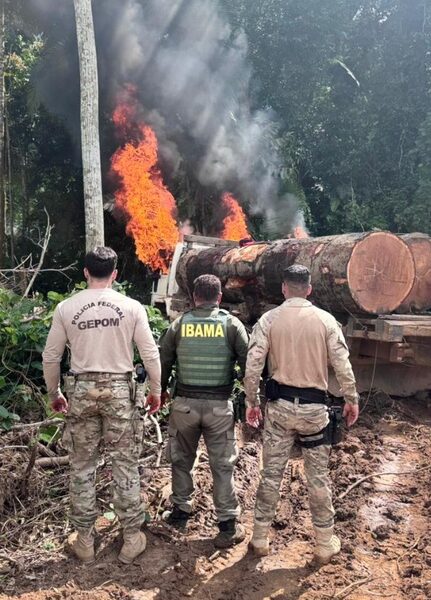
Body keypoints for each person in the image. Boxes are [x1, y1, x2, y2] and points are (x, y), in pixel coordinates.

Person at [42, 247, 161, 565]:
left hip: (81, 391)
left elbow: (51, 356)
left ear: (85, 272)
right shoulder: (132, 307)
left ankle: (84, 541)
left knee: (82, 467)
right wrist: (156, 390)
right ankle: (132, 539)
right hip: (120, 392)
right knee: (125, 464)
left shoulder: (66, 308)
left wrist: (54, 393)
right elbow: (150, 353)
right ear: (115, 274)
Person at [244, 264, 359, 563]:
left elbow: (253, 365)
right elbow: (342, 365)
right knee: (318, 477)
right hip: (314, 412)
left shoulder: (269, 320)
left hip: (279, 409)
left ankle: (259, 538)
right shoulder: (326, 320)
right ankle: (324, 543)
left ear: (284, 288)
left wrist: (251, 401)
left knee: (271, 475)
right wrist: (351, 398)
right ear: (309, 289)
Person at [160, 274, 249, 548]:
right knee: (222, 466)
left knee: (181, 460)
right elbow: (249, 362)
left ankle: (180, 513)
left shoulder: (179, 324)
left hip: (184, 406)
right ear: (219, 297)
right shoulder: (231, 324)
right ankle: (227, 525)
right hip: (219, 408)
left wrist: (160, 390)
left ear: (194, 297)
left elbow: (164, 360)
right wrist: (252, 397)